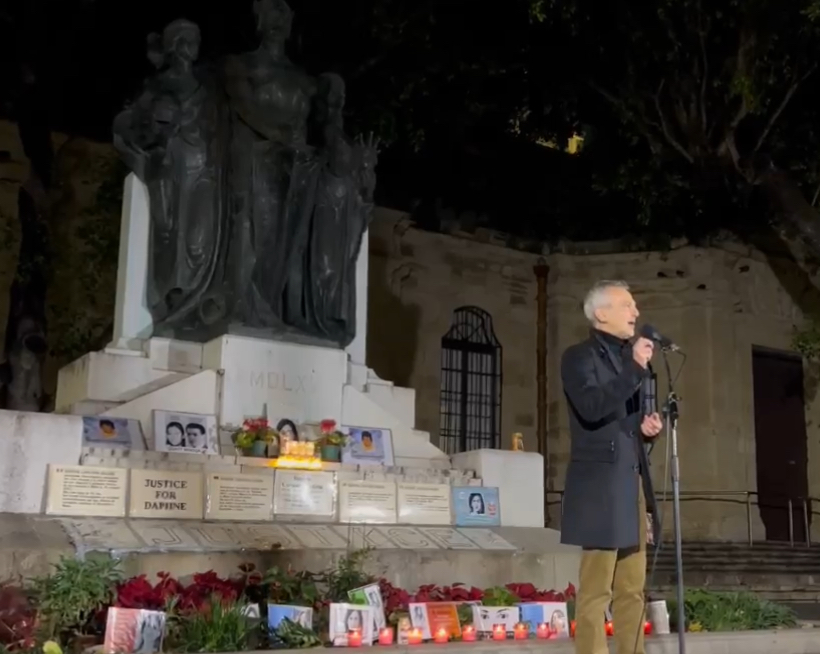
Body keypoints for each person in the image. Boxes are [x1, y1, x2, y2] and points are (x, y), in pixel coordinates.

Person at [560, 280, 663, 654]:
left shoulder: (625, 362)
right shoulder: (578, 357)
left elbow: (621, 423)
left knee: (632, 590)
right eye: (627, 305)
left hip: (629, 481)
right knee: (595, 590)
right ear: (601, 313)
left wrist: (645, 430)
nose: (636, 312)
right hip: (599, 484)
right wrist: (634, 368)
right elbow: (591, 407)